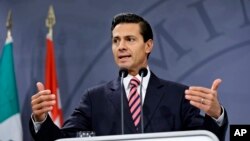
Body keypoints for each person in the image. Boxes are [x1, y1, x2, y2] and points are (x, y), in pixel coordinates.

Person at [29, 13, 228, 141]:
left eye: (130, 39)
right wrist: (41, 119)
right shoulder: (94, 98)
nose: (121, 46)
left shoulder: (178, 95)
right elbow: (62, 140)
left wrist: (215, 115)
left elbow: (206, 138)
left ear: (148, 45)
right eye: (116, 41)